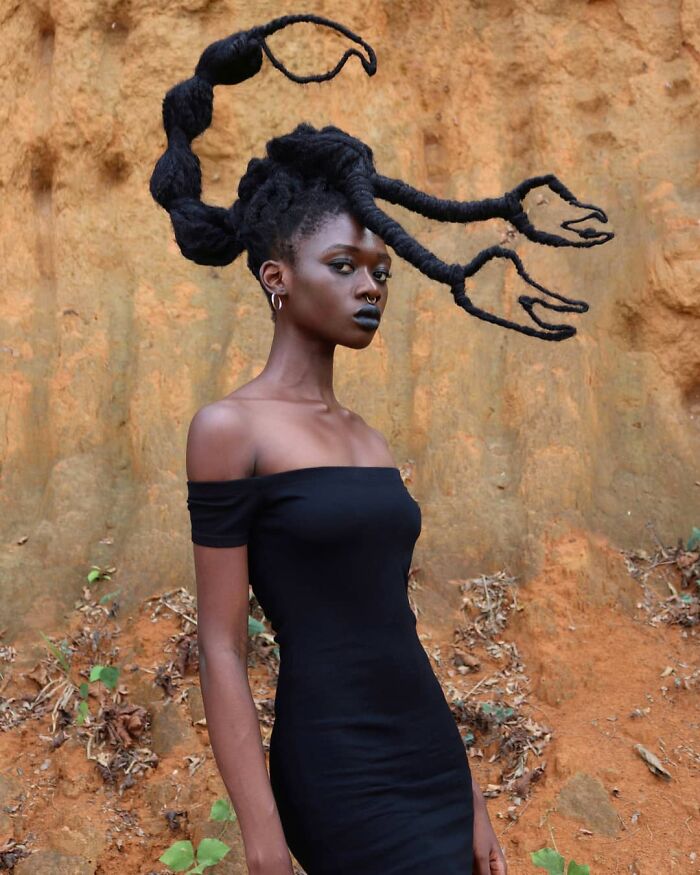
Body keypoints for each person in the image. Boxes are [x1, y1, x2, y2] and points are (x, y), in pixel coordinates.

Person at [150, 15, 613, 874]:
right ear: (275, 278)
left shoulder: (368, 439)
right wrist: (260, 835)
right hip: (336, 772)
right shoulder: (230, 430)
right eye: (345, 266)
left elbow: (391, 624)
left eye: (381, 271)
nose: (370, 287)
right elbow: (222, 642)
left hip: (430, 763)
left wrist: (471, 793)